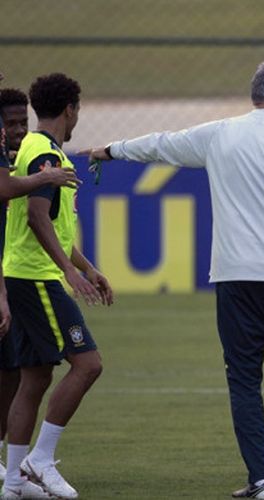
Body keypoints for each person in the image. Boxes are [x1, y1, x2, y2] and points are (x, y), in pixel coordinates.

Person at [83, 59, 264, 499]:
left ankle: (262, 482)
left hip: (235, 277)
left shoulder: (219, 134)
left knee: (244, 379)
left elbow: (161, 145)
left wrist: (110, 149)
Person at [1, 73, 111, 500]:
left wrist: (87, 266)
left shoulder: (30, 146)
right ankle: (40, 460)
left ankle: (12, 482)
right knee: (88, 364)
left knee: (36, 376)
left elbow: (52, 225)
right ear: (70, 109)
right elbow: (37, 217)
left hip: (26, 272)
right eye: (78, 109)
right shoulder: (46, 155)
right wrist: (68, 270)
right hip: (37, 276)